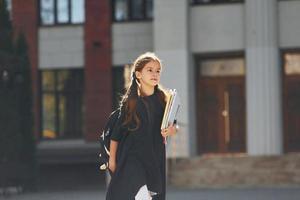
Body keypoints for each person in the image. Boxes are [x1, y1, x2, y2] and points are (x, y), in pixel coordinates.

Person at [106, 52, 178, 200]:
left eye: (158, 70)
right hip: (132, 158)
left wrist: (172, 130)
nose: (155, 74)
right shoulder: (131, 103)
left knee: (151, 196)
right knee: (141, 195)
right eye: (149, 70)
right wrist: (112, 161)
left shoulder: (164, 99)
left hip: (154, 156)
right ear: (138, 74)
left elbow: (174, 126)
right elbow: (116, 135)